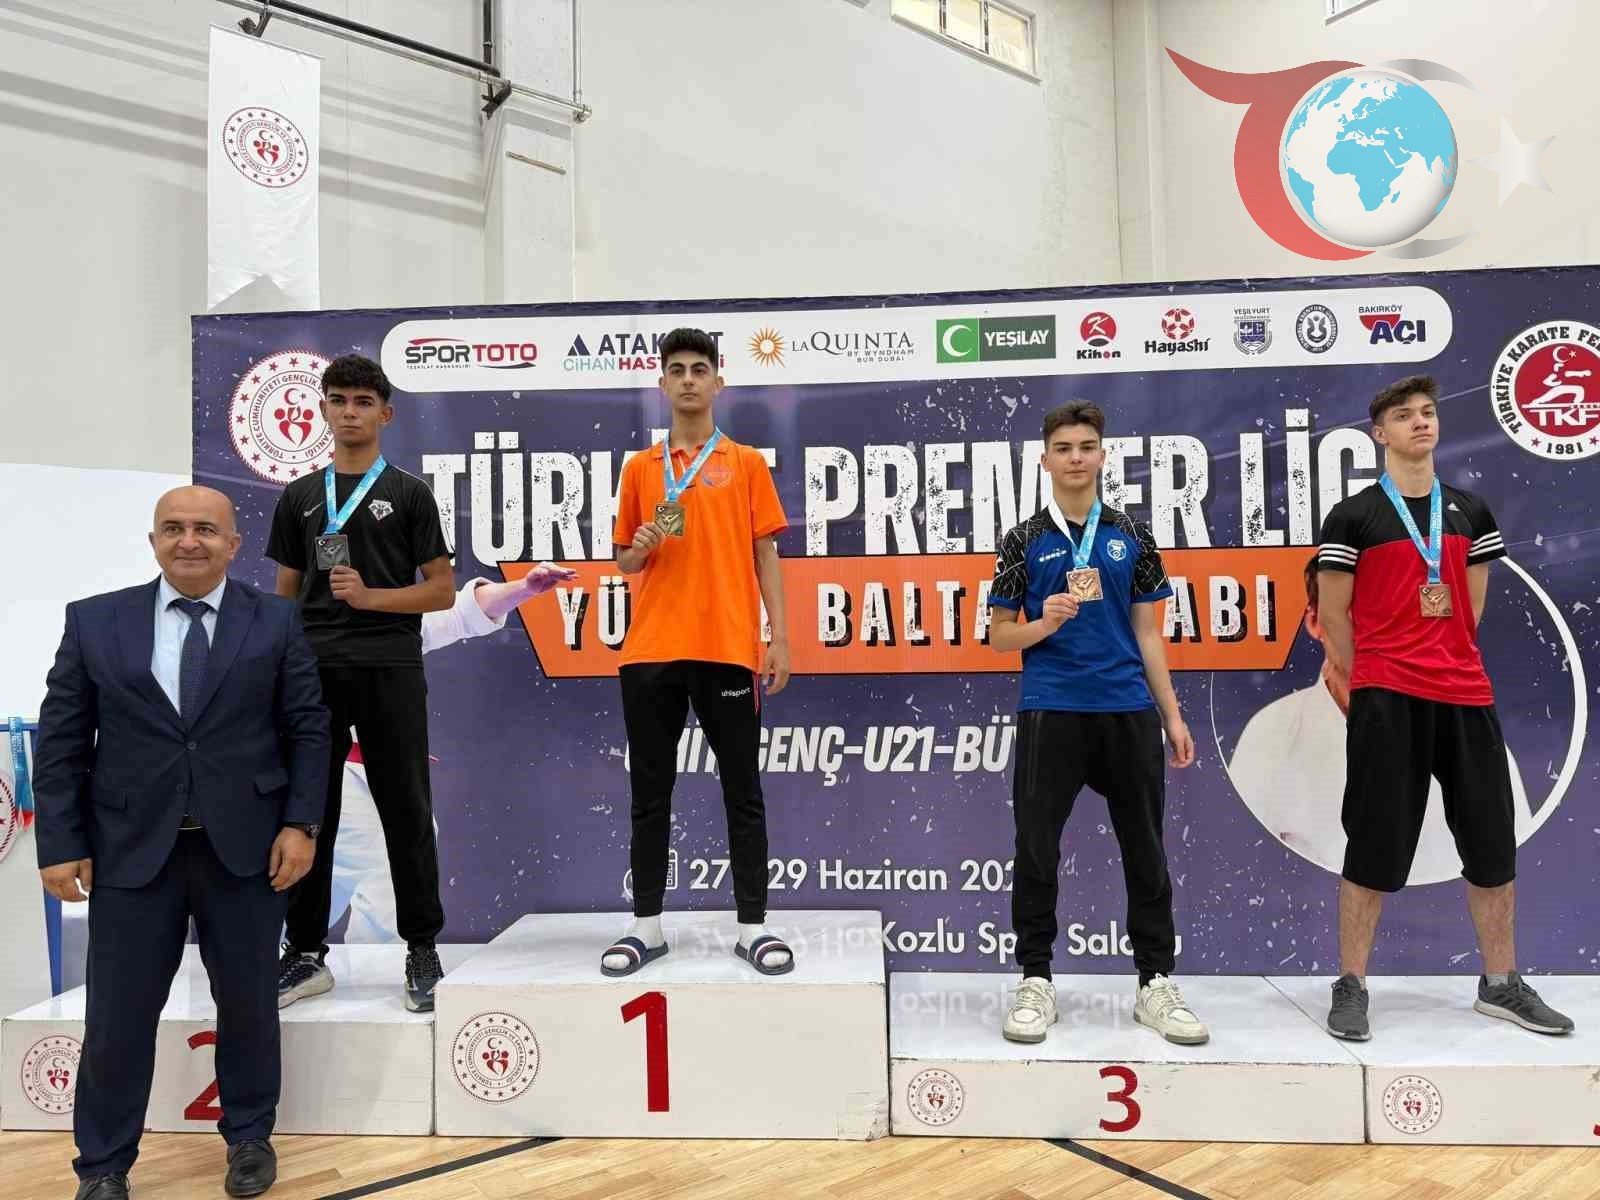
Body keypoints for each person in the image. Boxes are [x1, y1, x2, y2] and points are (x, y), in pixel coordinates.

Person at [33, 486, 329, 1200]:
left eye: (205, 529)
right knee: (117, 1019)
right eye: (173, 528)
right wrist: (59, 842)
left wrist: (301, 825)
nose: (188, 540)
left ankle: (250, 1138)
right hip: (130, 853)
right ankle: (103, 1166)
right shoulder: (95, 620)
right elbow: (63, 741)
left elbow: (309, 729)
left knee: (249, 1006)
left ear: (233, 544)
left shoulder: (276, 620)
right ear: (153, 541)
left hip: (247, 852)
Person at [1315, 374, 1573, 1041]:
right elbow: (1334, 614)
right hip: (1386, 701)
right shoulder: (1353, 516)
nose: (1421, 422)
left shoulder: (1470, 511)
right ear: (1381, 433)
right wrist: (1372, 675)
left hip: (1465, 697)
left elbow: (1471, 606)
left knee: (1491, 845)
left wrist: (1441, 656)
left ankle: (1501, 983)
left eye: (1428, 412)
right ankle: (1351, 985)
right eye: (1404, 415)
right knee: (1374, 844)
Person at [988, 401, 1206, 1046]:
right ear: (1045, 459)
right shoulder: (1023, 539)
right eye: (1063, 448)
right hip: (1051, 708)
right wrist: (1044, 622)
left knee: (1146, 849)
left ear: (1103, 456)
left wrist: (1172, 715)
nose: (1076, 457)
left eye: (1086, 446)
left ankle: (1155, 983)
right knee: (1036, 849)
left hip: (1127, 710)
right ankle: (1035, 979)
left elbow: (1149, 634)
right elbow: (1000, 636)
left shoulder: (1132, 534)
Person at [601, 327, 793, 977]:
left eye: (699, 368)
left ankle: (753, 928)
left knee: (743, 792)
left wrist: (779, 637)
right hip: (652, 650)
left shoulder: (745, 463)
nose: (688, 378)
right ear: (662, 383)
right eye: (677, 369)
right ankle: (646, 927)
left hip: (728, 647)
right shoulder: (640, 468)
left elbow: (766, 552)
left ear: (718, 382)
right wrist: (640, 547)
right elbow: (624, 562)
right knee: (649, 794)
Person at [265, 353, 454, 1012]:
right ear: (323, 409)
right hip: (313, 672)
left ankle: (422, 948)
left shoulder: (409, 493)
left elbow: (441, 590)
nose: (350, 412)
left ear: (385, 414)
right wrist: (278, 670)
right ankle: (305, 952)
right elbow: (284, 597)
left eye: (363, 402)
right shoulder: (299, 496)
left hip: (389, 667)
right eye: (339, 400)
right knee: (309, 811)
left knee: (406, 810)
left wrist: (372, 598)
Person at [1229, 556, 1531, 885]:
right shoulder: (1270, 736)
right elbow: (1244, 878)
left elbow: (1510, 876)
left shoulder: (1475, 744)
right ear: (1315, 621)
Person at [331, 568, 573, 942]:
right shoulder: (292, 624)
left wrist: (524, 587)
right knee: (305, 893)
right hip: (313, 776)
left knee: (385, 891)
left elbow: (461, 612)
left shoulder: (391, 620)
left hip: (379, 777)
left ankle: (365, 969)